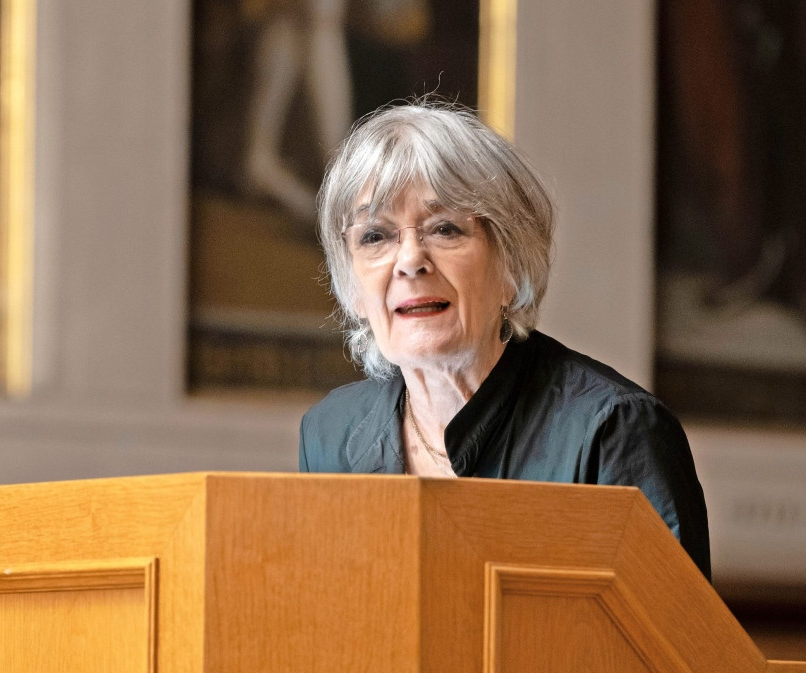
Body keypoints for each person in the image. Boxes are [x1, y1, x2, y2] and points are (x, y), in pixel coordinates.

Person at [298, 102, 711, 579]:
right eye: (375, 236)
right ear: (351, 285)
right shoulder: (331, 433)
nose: (410, 261)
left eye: (445, 228)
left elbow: (670, 650)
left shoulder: (612, 432)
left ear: (511, 265)